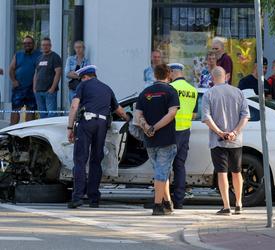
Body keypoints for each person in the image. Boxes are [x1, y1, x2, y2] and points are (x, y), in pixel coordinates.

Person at [67, 65, 129, 209]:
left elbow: (74, 107)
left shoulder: (82, 86)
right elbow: (119, 110)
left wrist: (70, 127)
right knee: (96, 160)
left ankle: (77, 197)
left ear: (85, 77)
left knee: (80, 160)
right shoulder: (107, 88)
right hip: (102, 125)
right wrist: (129, 119)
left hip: (86, 123)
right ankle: (94, 198)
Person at [202, 66, 250, 216]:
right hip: (236, 140)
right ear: (226, 77)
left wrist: (220, 132)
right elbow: (245, 116)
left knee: (222, 172)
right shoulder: (238, 92)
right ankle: (239, 203)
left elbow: (206, 117)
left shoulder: (208, 94)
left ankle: (226, 206)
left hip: (218, 140)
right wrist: (235, 132)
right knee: (237, 171)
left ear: (212, 78)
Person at [136, 64, 179, 215]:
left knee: (161, 172)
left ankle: (167, 203)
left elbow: (138, 115)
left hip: (150, 140)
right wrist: (155, 127)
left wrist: (147, 127)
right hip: (166, 139)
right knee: (161, 173)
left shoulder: (145, 92)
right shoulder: (170, 91)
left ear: (155, 75)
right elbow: (172, 114)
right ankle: (158, 205)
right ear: (169, 75)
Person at [169, 63, 198, 209]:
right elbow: (194, 114)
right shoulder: (192, 90)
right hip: (185, 131)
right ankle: (178, 201)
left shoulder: (171, 88)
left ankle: (164, 199)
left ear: (172, 72)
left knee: (166, 165)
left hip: (171, 130)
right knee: (180, 166)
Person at [9, 35, 41, 125]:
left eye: (29, 43)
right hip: (18, 87)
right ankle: (12, 132)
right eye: (25, 43)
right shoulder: (18, 55)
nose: (27, 45)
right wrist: (14, 81)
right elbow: (11, 69)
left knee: (30, 110)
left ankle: (28, 133)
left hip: (32, 88)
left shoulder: (39, 55)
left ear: (33, 44)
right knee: (15, 110)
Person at [33, 37, 62, 118]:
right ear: (41, 46)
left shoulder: (55, 57)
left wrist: (52, 88)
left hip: (49, 92)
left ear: (50, 46)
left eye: (47, 45)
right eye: (43, 45)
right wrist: (34, 88)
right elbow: (36, 73)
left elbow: (58, 73)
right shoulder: (39, 58)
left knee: (51, 115)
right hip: (38, 91)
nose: (45, 47)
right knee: (42, 115)